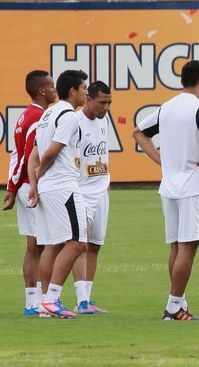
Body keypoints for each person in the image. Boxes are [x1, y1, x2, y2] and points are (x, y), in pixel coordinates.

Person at [132, 60, 199, 321]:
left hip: (169, 186)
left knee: (175, 247)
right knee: (187, 248)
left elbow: (138, 133)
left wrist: (162, 161)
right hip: (193, 186)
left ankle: (179, 303)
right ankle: (173, 307)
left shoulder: (167, 107)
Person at [27, 69, 89, 319]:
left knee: (53, 245)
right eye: (83, 88)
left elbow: (33, 155)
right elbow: (50, 152)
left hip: (48, 188)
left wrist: (35, 184)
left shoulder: (47, 114)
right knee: (77, 243)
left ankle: (44, 303)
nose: (86, 91)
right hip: (63, 186)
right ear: (73, 91)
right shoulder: (68, 115)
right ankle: (52, 299)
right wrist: (41, 175)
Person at [2, 70, 57, 315]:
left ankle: (32, 301)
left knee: (33, 246)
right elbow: (27, 156)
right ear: (42, 90)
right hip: (33, 187)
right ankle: (43, 301)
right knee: (45, 244)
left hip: (23, 187)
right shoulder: (39, 117)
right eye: (52, 86)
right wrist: (19, 187)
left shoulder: (25, 115)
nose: (55, 89)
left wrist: (12, 188)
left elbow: (16, 154)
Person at [72, 81, 113, 314]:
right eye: (102, 102)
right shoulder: (76, 122)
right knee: (80, 245)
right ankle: (80, 300)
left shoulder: (103, 121)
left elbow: (102, 153)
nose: (105, 108)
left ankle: (87, 297)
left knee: (95, 246)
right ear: (88, 99)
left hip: (101, 191)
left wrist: (107, 178)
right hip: (81, 192)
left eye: (109, 103)